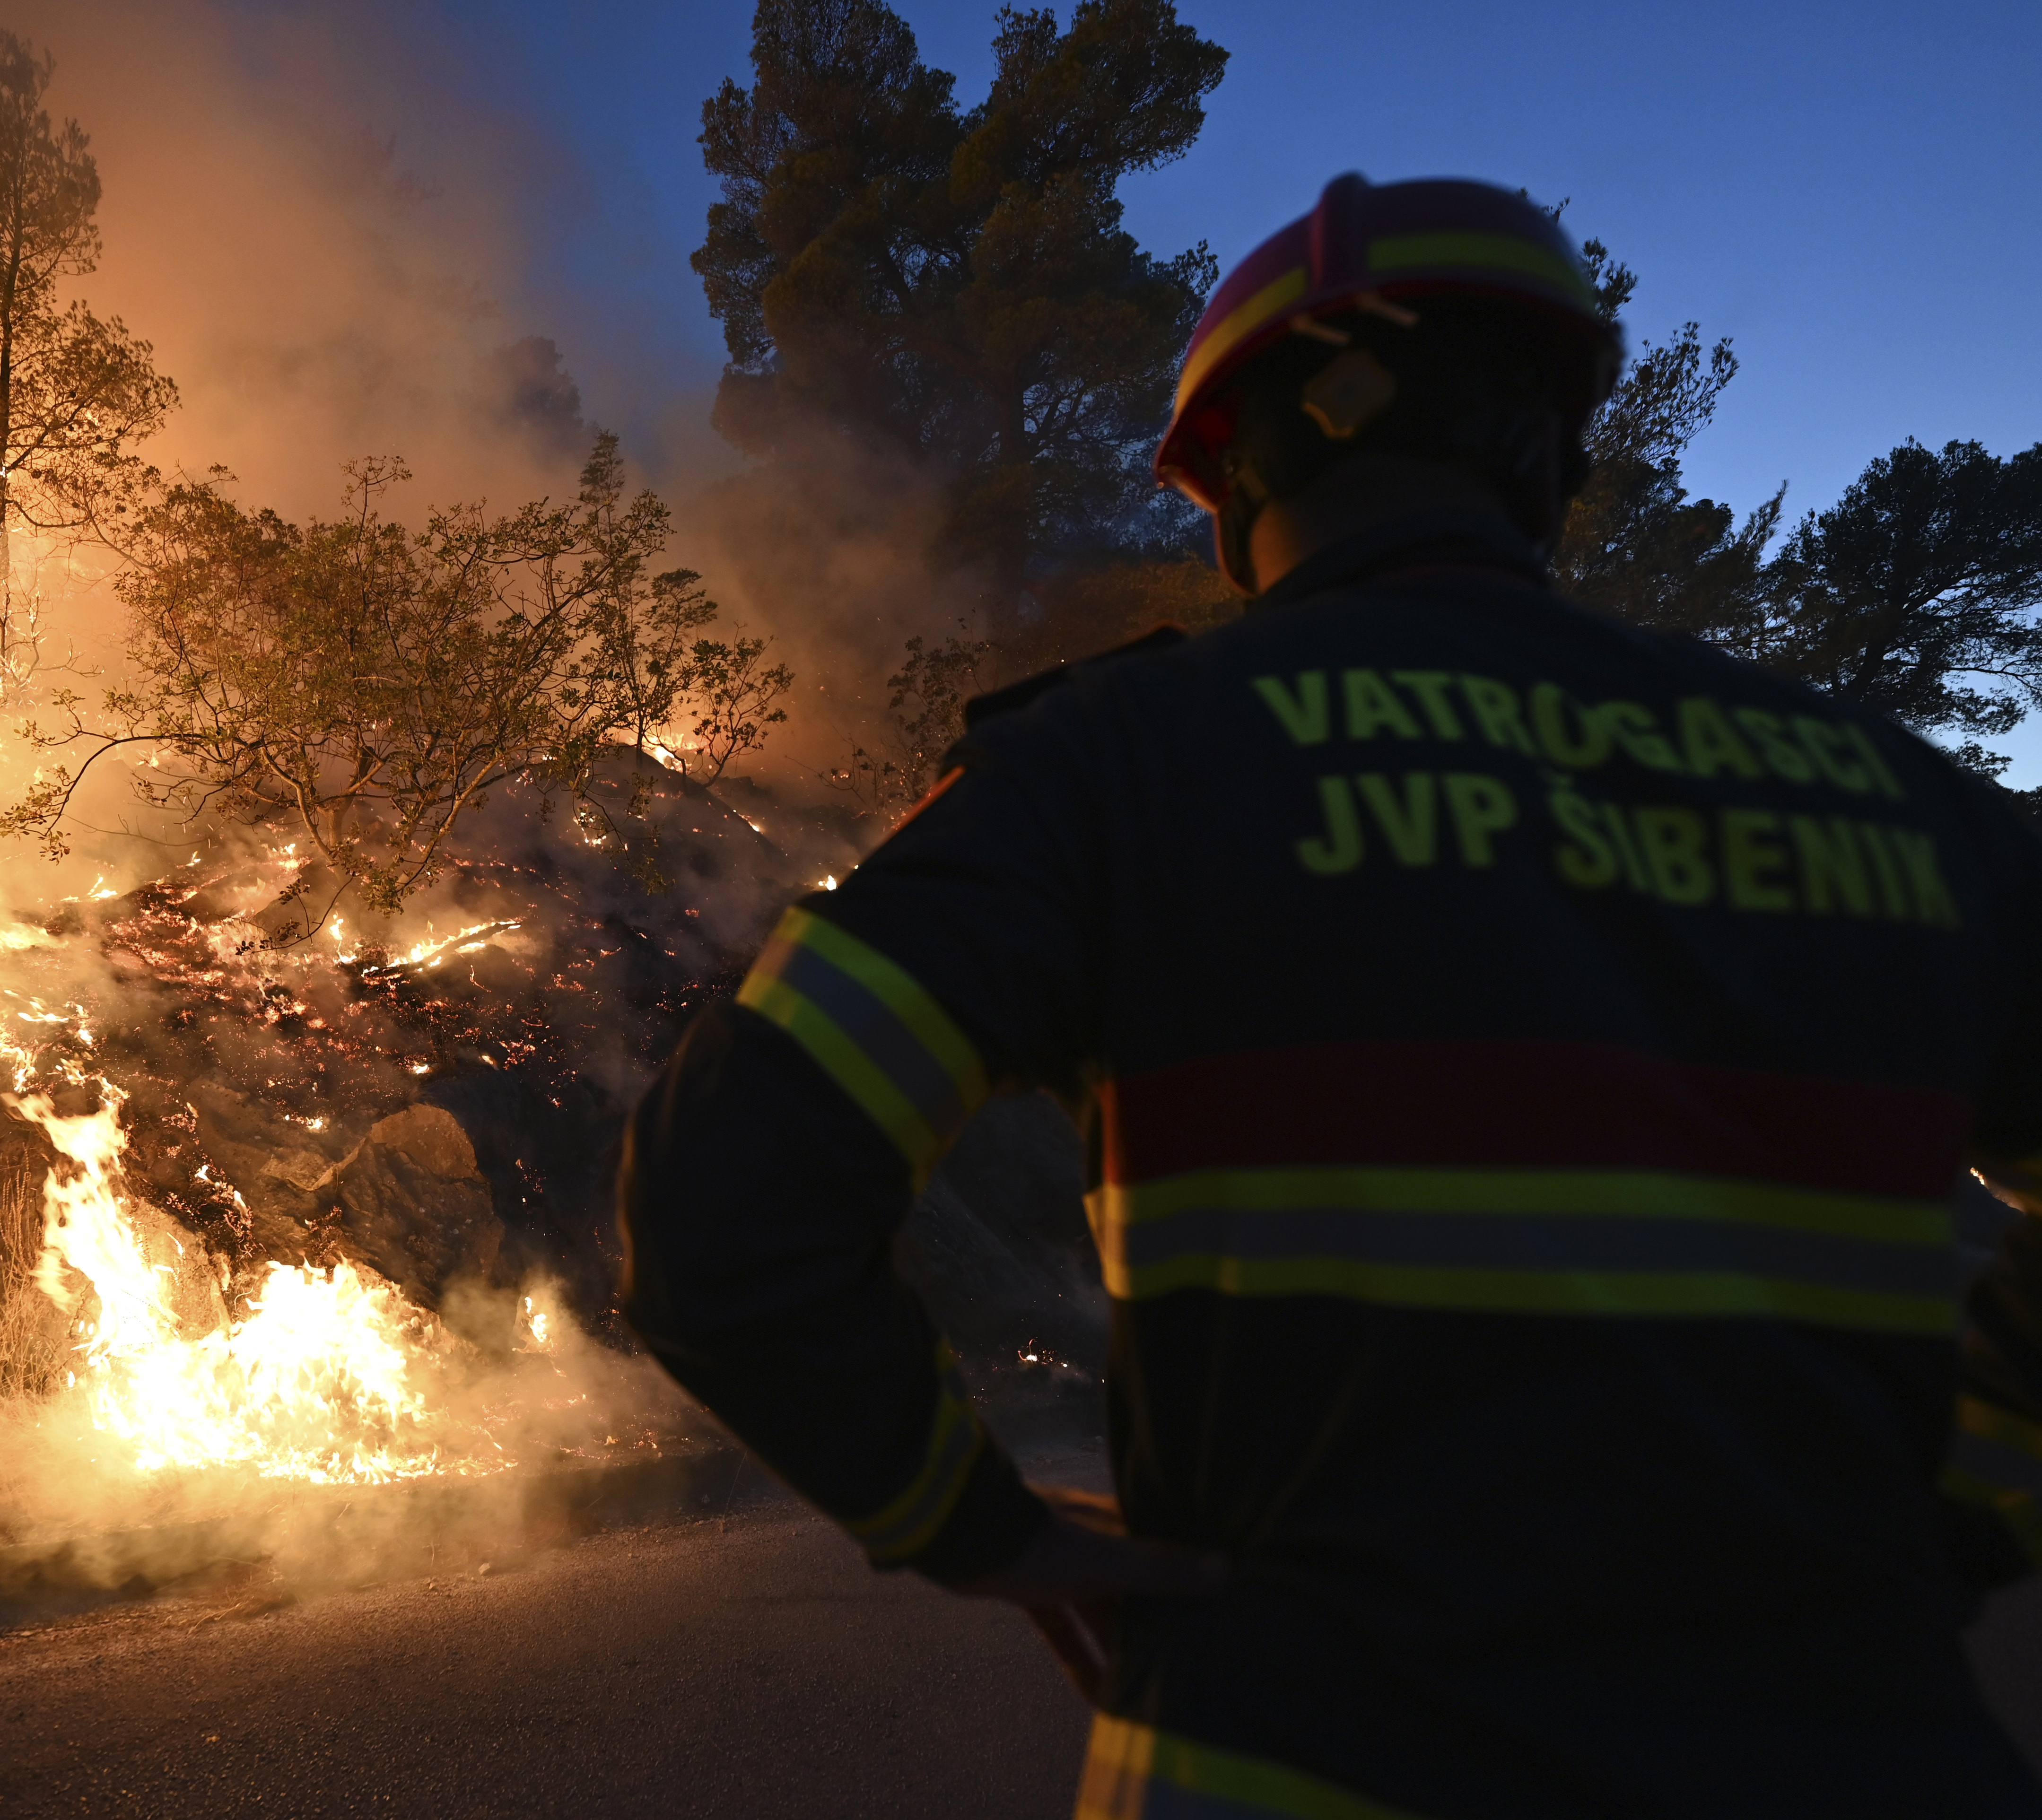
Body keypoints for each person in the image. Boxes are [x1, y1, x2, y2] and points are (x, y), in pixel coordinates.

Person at [616, 172, 2042, 1818]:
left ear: (1227, 485)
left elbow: (727, 1195)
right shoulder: (1895, 796)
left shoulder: (1118, 763)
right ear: (1551, 460)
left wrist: (966, 1519)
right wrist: (1969, 1498)